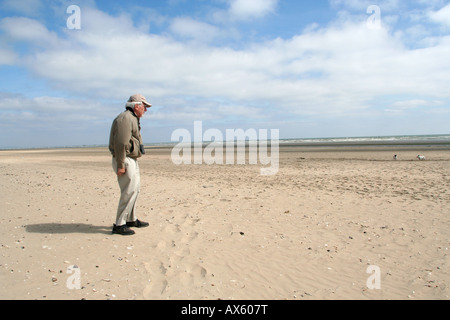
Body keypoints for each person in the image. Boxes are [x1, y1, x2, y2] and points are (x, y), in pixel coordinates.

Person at [109, 94, 151, 235]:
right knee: (128, 191)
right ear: (137, 106)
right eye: (144, 107)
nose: (145, 110)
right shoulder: (125, 118)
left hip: (130, 158)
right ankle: (119, 224)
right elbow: (121, 143)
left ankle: (131, 219)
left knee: (135, 189)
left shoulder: (132, 118)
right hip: (125, 159)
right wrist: (121, 164)